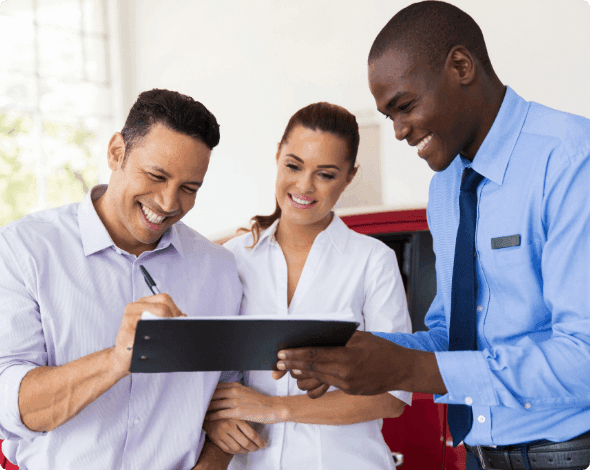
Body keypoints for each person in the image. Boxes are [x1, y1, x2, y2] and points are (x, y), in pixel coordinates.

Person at [275, 3, 590, 470]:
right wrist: (361, 356)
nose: (400, 131)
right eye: (390, 116)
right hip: (478, 457)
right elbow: (452, 335)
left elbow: (582, 356)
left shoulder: (569, 159)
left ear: (461, 67)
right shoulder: (446, 186)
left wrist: (409, 369)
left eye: (406, 106)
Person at [0, 89, 243, 470]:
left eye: (189, 188)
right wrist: (116, 360)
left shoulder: (220, 270)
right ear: (116, 152)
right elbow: (13, 408)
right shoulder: (23, 250)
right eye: (156, 175)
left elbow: (230, 396)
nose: (167, 203)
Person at [202, 102, 413, 469]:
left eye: (326, 174)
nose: (304, 185)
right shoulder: (232, 259)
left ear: (350, 176)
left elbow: (392, 394)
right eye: (294, 165)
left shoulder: (372, 261)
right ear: (278, 156)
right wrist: (212, 417)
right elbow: (201, 375)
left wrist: (277, 408)